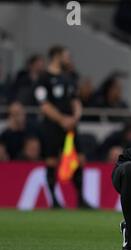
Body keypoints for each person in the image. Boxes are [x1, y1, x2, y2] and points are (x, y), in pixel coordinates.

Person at [33, 46, 90, 209]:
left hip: (70, 125)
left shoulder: (69, 77)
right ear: (56, 56)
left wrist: (75, 116)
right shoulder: (43, 78)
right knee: (52, 160)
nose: (69, 59)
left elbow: (75, 100)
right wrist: (62, 119)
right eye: (66, 56)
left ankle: (80, 198)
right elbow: (44, 105)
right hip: (52, 126)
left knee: (79, 159)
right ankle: (54, 200)